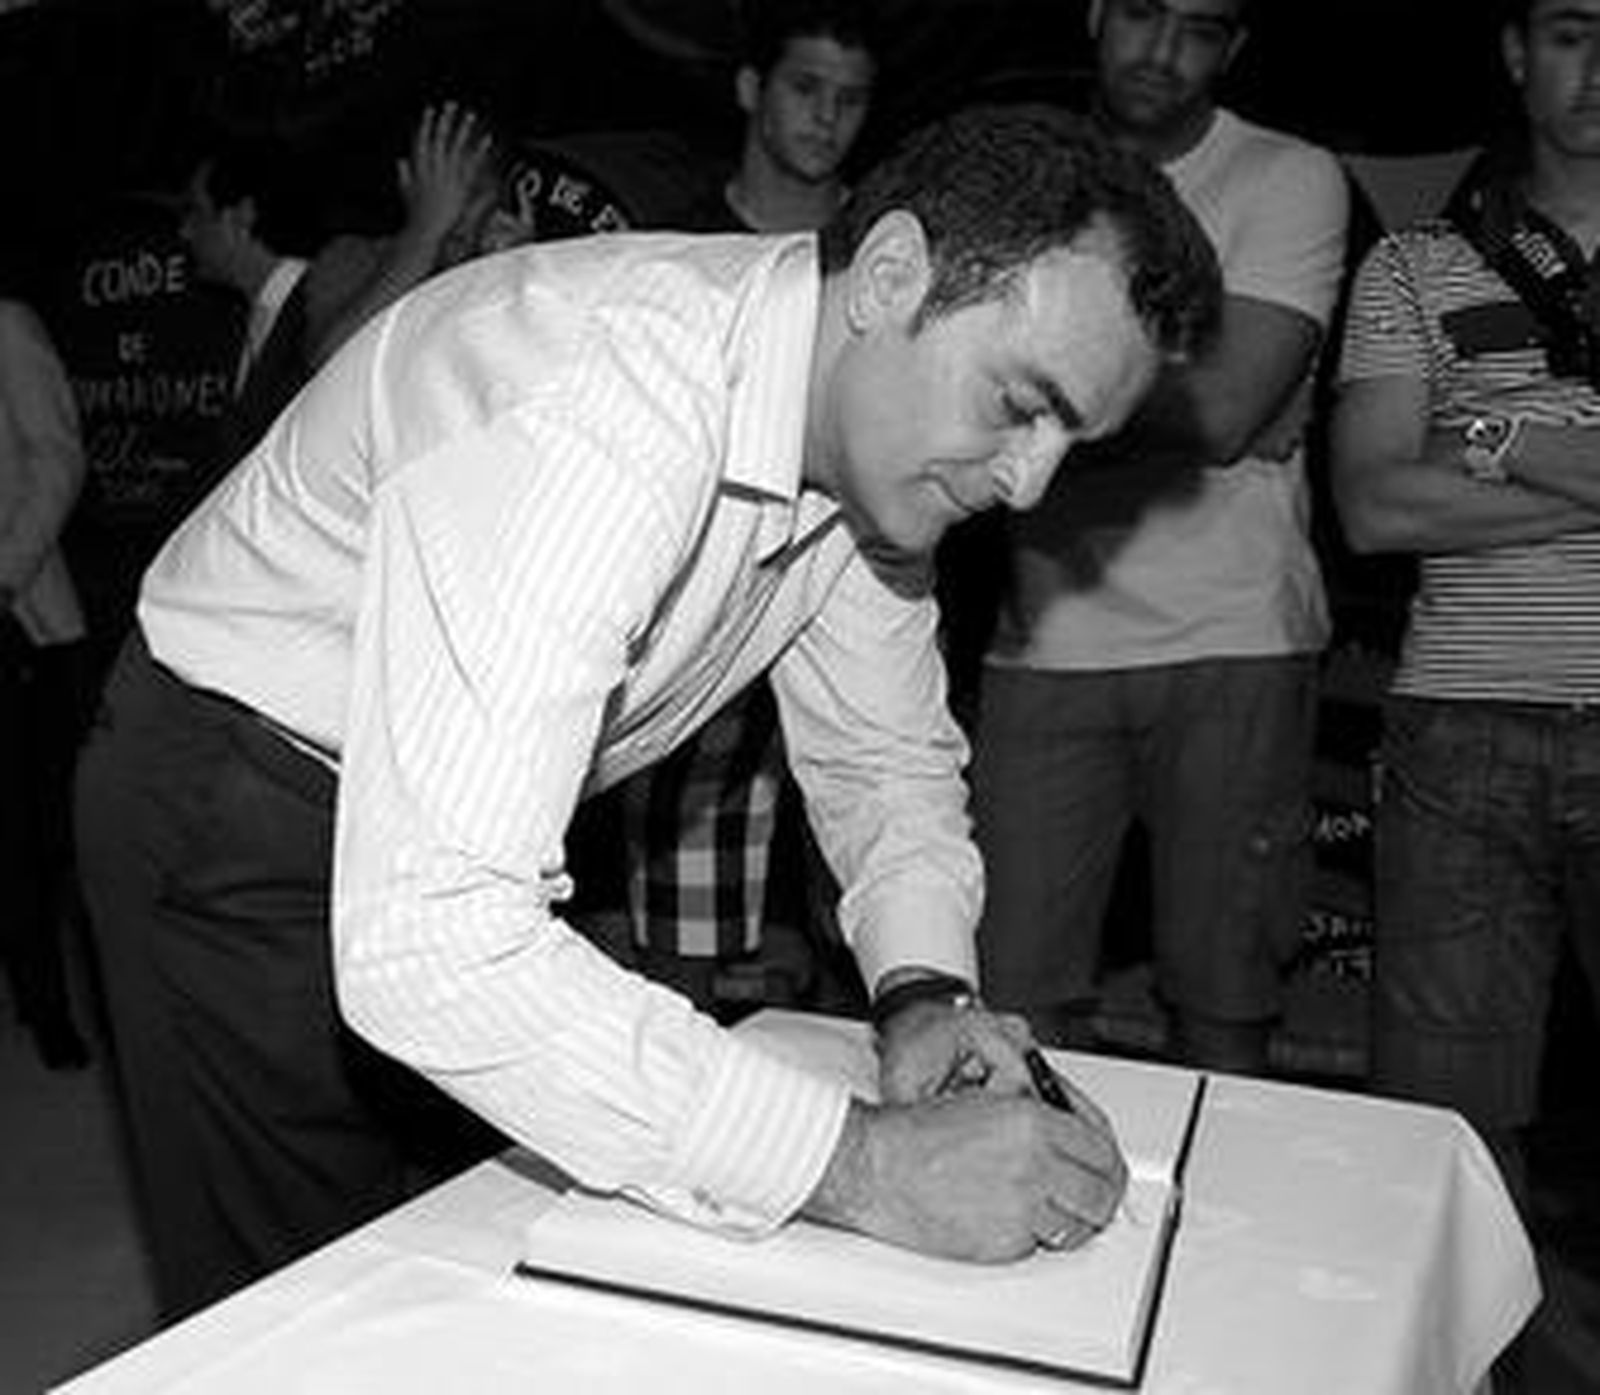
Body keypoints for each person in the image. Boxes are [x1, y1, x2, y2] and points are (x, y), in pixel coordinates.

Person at [74, 103, 1221, 1322]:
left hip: (448, 823)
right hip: (236, 798)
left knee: (482, 1257)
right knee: (312, 1309)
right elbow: (435, 947)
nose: (1029, 484)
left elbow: (883, 758)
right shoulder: (592, 406)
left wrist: (923, 993)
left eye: (1072, 442)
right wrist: (866, 1165)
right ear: (890, 275)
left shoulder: (871, 438)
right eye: (1019, 403)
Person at [970, 0, 1349, 1072]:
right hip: (1043, 640)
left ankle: (1218, 1240)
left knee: (1225, 1010)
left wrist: (1037, 389)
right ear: (1090, 13)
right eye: (1141, 12)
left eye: (1200, 26)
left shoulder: (1288, 175)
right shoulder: (1024, 177)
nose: (1162, 49)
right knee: (1012, 1010)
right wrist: (1193, 407)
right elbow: (1226, 413)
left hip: (1238, 636)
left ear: (1234, 46)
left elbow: (1229, 409)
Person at [1331, 0, 1600, 1196]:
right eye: (1572, 31)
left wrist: (1475, 435)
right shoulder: (1413, 263)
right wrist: (1537, 447)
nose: (1598, 69)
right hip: (1461, 729)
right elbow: (1375, 508)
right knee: (1442, 1145)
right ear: (1513, 51)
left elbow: (1418, 470)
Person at [613, 0, 879, 1015]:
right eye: (806, 89)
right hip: (709, 597)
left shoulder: (878, 248)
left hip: (845, 592)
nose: (826, 119)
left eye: (850, 100)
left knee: (856, 915)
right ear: (750, 90)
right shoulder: (681, 244)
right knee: (678, 947)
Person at [0, 297, 93, 1071]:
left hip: (19, 618)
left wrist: (2, 579)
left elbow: (56, 457)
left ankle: (52, 1005)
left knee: (31, 833)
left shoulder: (9, 324)